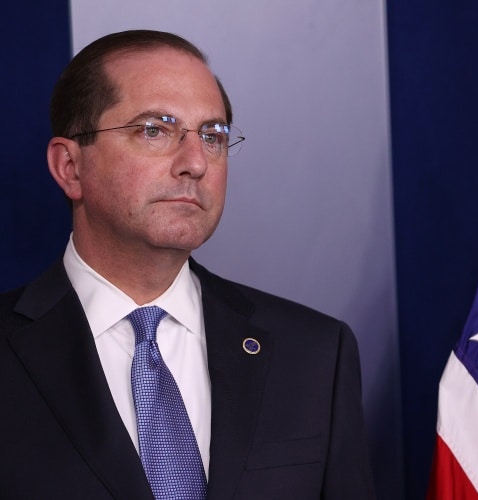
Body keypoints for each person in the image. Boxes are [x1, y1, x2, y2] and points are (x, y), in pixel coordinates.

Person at [0, 30, 375, 499]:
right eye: (154, 130)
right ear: (70, 167)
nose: (196, 162)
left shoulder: (316, 354)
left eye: (213, 135)